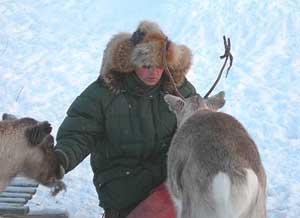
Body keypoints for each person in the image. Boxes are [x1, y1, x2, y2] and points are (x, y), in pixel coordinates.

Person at [54, 20, 197, 218]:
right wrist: (61, 158)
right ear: (132, 62)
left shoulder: (179, 91)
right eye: (146, 65)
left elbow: (198, 127)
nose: (153, 73)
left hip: (168, 177)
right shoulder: (105, 93)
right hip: (122, 181)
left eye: (159, 66)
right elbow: (80, 130)